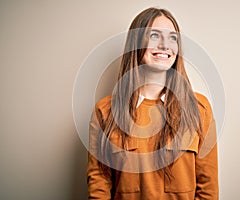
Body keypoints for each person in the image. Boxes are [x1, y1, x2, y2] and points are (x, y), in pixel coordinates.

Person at [87, 7, 218, 200]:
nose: (165, 45)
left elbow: (208, 190)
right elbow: (99, 187)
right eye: (154, 35)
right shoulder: (105, 111)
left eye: (172, 38)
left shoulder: (200, 108)